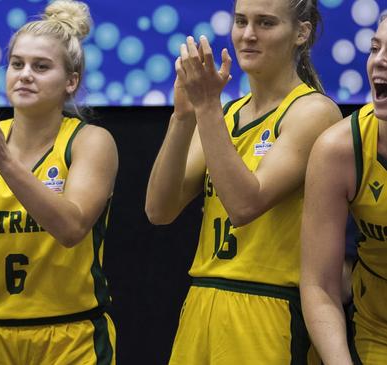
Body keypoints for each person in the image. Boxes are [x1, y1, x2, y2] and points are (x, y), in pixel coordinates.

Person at [145, 0, 342, 363]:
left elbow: (245, 204)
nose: (248, 35)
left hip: (267, 307)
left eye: (265, 23)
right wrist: (183, 116)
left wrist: (206, 108)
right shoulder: (227, 114)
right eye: (241, 21)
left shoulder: (313, 112)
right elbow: (159, 209)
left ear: (301, 33)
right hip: (202, 300)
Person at [0, 1, 118, 364]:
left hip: (69, 335)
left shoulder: (90, 141)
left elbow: (71, 228)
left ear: (71, 81)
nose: (25, 74)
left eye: (41, 67)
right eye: (17, 64)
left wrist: (4, 162)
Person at [301, 14, 387, 365]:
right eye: (374, 48)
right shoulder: (340, 149)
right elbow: (319, 284)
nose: (380, 60)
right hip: (376, 335)